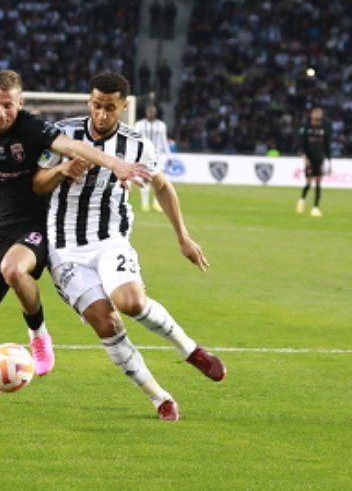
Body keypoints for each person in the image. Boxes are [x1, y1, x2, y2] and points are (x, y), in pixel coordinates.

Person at [0, 70, 152, 405]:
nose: (1, 113)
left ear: (20, 103)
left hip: (34, 224)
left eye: (8, 105)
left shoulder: (31, 127)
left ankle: (39, 336)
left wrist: (115, 164)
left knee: (13, 269)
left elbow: (73, 146)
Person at [34, 72, 225, 421]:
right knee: (106, 323)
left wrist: (183, 236)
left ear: (123, 107)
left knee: (131, 302)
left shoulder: (138, 145)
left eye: (110, 107)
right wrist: (62, 170)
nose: (101, 114)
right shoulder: (63, 134)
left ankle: (191, 351)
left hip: (110, 240)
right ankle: (159, 397)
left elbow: (162, 186)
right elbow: (36, 183)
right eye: (96, 105)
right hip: (65, 250)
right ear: (88, 101)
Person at [296, 107, 331, 217]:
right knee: (309, 182)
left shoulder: (324, 128)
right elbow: (302, 145)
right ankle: (302, 199)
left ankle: (315, 208)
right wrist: (305, 158)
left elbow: (327, 145)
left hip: (320, 158)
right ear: (311, 114)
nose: (317, 115)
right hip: (309, 159)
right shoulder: (306, 127)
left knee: (318, 183)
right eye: (315, 113)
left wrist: (329, 161)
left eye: (319, 113)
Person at [134, 104, 169, 212]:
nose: (150, 113)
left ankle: (156, 203)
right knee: (145, 179)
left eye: (152, 111)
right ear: (146, 112)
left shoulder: (161, 125)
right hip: (145, 155)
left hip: (158, 156)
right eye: (149, 111)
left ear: (155, 112)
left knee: (158, 180)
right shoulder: (139, 124)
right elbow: (136, 140)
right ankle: (145, 203)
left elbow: (164, 141)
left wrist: (169, 155)